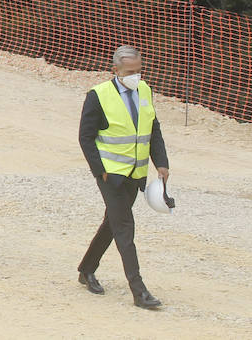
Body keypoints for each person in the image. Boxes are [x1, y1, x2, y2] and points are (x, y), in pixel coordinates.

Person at [76, 45, 170, 309]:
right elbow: (85, 137)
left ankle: (86, 269)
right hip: (111, 175)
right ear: (115, 70)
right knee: (125, 228)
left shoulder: (144, 91)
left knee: (113, 223)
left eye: (139, 71)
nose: (136, 76)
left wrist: (161, 163)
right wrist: (100, 171)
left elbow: (153, 129)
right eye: (130, 72)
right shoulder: (98, 95)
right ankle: (139, 292)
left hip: (135, 174)